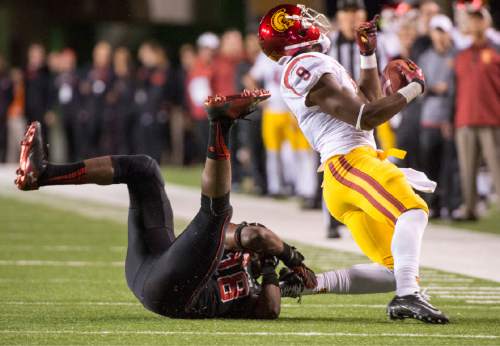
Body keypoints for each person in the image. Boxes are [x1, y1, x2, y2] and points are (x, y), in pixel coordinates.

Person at [14, 89, 316, 319]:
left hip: (177, 295)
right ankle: (43, 174)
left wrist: (283, 261)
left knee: (217, 213)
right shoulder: (235, 247)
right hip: (155, 266)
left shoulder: (255, 277)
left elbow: (270, 309)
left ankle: (220, 124)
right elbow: (252, 236)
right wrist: (279, 259)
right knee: (144, 170)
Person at [259, 4, 448, 323]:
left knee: (396, 268)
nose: (313, 21)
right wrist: (414, 88)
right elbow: (365, 117)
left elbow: (368, 103)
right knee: (412, 211)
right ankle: (407, 297)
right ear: (292, 34)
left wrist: (367, 55)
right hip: (349, 163)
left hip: (343, 173)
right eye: (304, 19)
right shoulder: (302, 66)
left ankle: (307, 283)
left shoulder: (314, 62)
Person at [453, 8, 500, 221]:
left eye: (479, 20)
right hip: (465, 118)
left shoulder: (497, 51)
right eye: (472, 21)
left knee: (497, 167)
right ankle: (469, 208)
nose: (475, 25)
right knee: (467, 169)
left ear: (487, 24)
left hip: (492, 118)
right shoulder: (460, 56)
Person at [418, 14, 460, 218]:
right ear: (432, 34)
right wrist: (436, 89)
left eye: (443, 32)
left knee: (450, 166)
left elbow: (459, 89)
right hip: (429, 118)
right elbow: (420, 88)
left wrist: (450, 118)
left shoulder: (457, 56)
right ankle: (433, 206)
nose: (440, 36)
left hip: (450, 119)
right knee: (429, 166)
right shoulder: (425, 57)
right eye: (437, 32)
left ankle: (450, 206)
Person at [24, 43, 51, 145]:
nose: (35, 59)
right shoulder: (26, 72)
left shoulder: (46, 72)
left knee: (43, 139)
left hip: (42, 112)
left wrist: (49, 110)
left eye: (38, 56)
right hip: (28, 112)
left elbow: (50, 92)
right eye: (33, 56)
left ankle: (45, 160)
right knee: (29, 140)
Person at [0, 53, 13, 162]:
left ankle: (3, 161)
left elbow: (11, 97)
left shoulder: (7, 80)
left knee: (3, 139)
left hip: (3, 115)